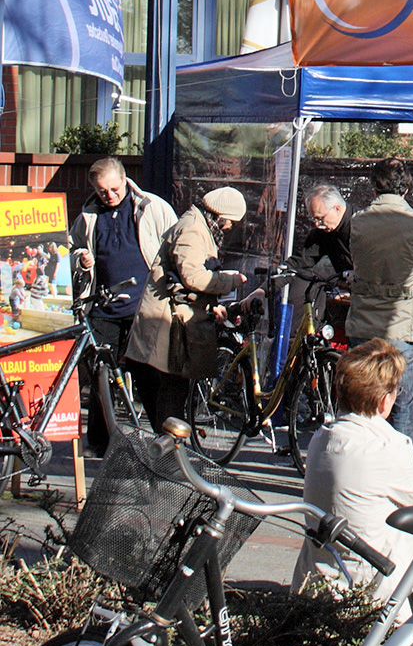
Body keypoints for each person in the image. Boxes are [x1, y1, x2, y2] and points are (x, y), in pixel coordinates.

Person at [291, 338, 413, 601]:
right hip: (373, 582)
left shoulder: (322, 438)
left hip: (325, 571)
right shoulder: (383, 447)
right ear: (384, 401)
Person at [124, 187, 259, 432]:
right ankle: (169, 457)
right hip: (167, 326)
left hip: (173, 322)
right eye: (230, 222)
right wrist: (228, 282)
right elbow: (193, 276)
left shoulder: (198, 226)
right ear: (220, 215)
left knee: (171, 392)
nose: (229, 228)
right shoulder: (193, 229)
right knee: (171, 393)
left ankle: (169, 453)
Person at [69, 157, 177, 456]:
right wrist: (80, 258)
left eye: (114, 189)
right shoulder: (89, 215)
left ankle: (164, 441)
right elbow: (72, 246)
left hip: (144, 306)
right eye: (102, 191)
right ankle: (100, 443)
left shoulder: (152, 207)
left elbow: (175, 244)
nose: (110, 196)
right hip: (103, 307)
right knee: (100, 375)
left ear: (125, 180)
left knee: (149, 376)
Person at [346, 158, 413, 456]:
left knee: (362, 404)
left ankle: (359, 467)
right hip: (405, 325)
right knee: (403, 406)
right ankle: (402, 473)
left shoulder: (358, 221)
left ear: (374, 187)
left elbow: (356, 262)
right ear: (407, 189)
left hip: (363, 323)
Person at [285, 184, 355, 277]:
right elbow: (300, 261)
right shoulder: (323, 232)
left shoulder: (363, 226)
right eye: (314, 219)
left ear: (337, 209)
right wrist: (264, 289)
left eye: (320, 218)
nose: (317, 224)